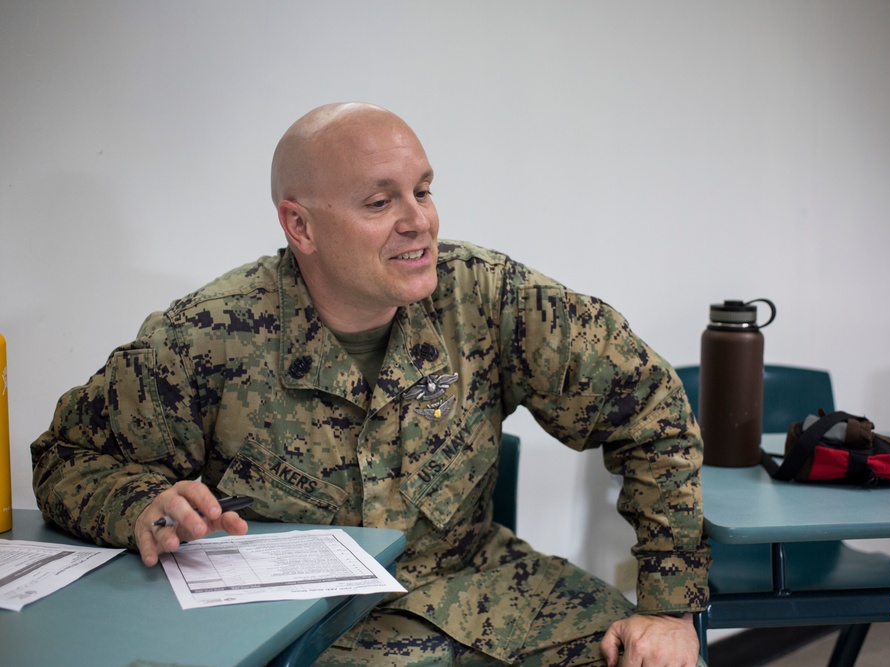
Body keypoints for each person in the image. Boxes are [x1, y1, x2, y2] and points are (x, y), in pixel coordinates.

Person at [31, 103, 710, 666]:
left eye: (423, 189)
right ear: (301, 225)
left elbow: (648, 406)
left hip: (484, 595)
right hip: (316, 631)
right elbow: (65, 459)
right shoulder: (208, 336)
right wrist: (141, 503)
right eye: (380, 201)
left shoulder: (486, 296)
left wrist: (670, 607)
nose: (418, 220)